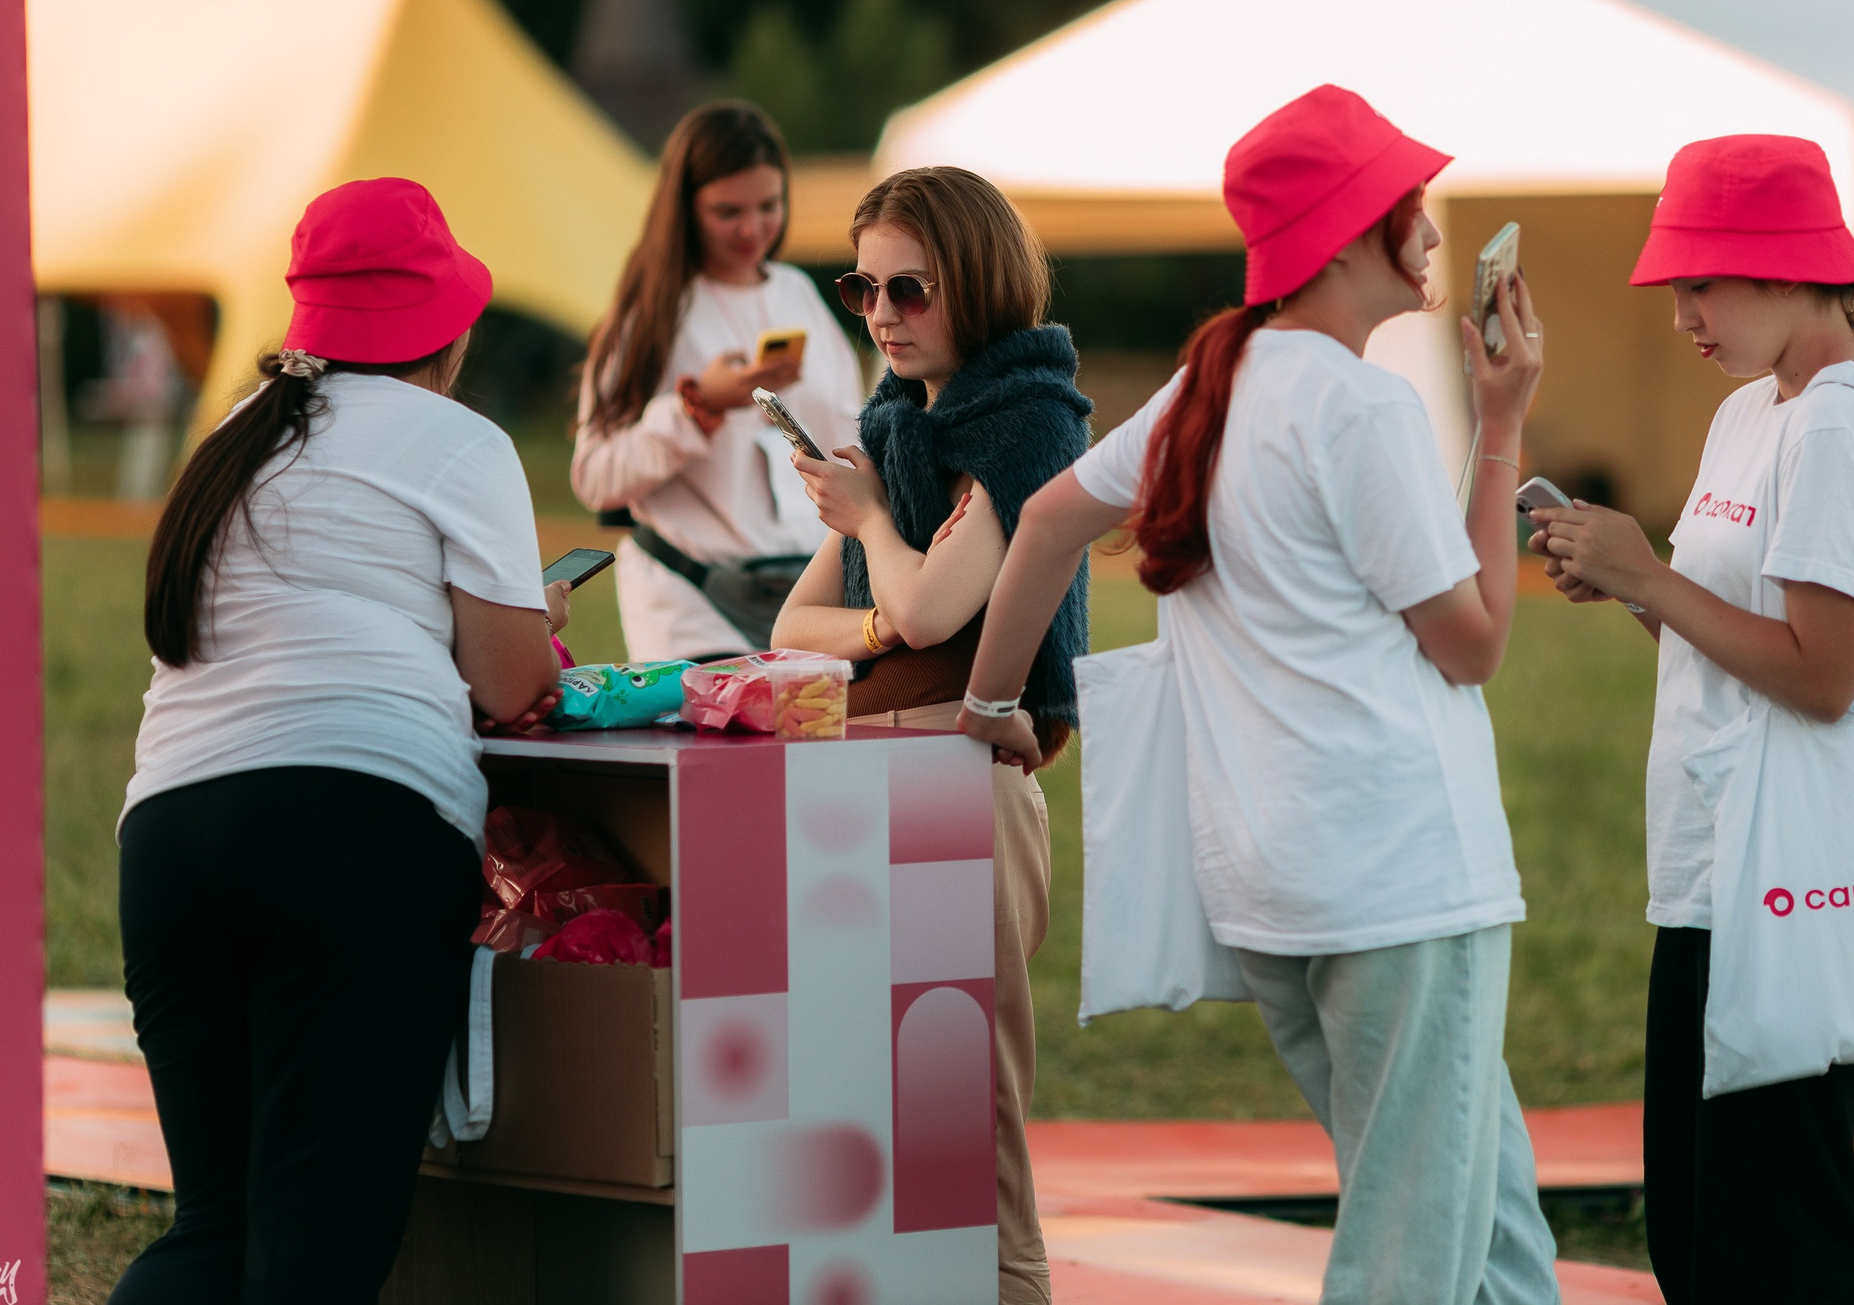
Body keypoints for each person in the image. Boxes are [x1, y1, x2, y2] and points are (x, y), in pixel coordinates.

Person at [952, 86, 1560, 1305]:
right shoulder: (1359, 402)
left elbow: (1052, 522)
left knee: (1495, 1239)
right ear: (1349, 236)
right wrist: (1501, 427)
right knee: (1413, 1250)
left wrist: (988, 704)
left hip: (1278, 882)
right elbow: (1474, 641)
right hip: (1400, 881)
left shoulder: (1208, 388)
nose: (1435, 233)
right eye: (1412, 208)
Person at [114, 179, 572, 1304]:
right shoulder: (461, 442)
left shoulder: (234, 432)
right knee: (317, 1256)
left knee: (215, 1230)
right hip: (355, 827)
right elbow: (514, 688)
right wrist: (535, 625)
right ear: (448, 327)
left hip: (170, 834)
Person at [1536, 134, 1854, 1304]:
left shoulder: (1835, 424)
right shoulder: (1756, 410)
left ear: (1777, 268)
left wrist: (1651, 576)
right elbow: (1733, 644)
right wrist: (1630, 584)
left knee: (1777, 1241)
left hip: (1795, 875)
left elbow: (1823, 674)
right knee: (1702, 1231)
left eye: (1695, 283)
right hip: (1721, 866)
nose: (1680, 316)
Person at [769, 164, 1091, 1305]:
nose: (883, 315)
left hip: (960, 787)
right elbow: (794, 620)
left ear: (977, 282)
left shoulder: (1025, 421)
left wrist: (868, 530)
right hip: (865, 787)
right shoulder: (899, 429)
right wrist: (878, 580)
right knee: (867, 1113)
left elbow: (930, 612)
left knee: (972, 1120)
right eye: (864, 288)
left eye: (912, 289)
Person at [572, 100, 864, 658]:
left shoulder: (797, 292)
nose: (752, 228)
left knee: (815, 743)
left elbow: (855, 435)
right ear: (684, 209)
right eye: (728, 211)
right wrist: (698, 407)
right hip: (692, 599)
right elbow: (593, 476)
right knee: (711, 742)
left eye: (769, 205)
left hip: (811, 596)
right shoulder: (652, 312)